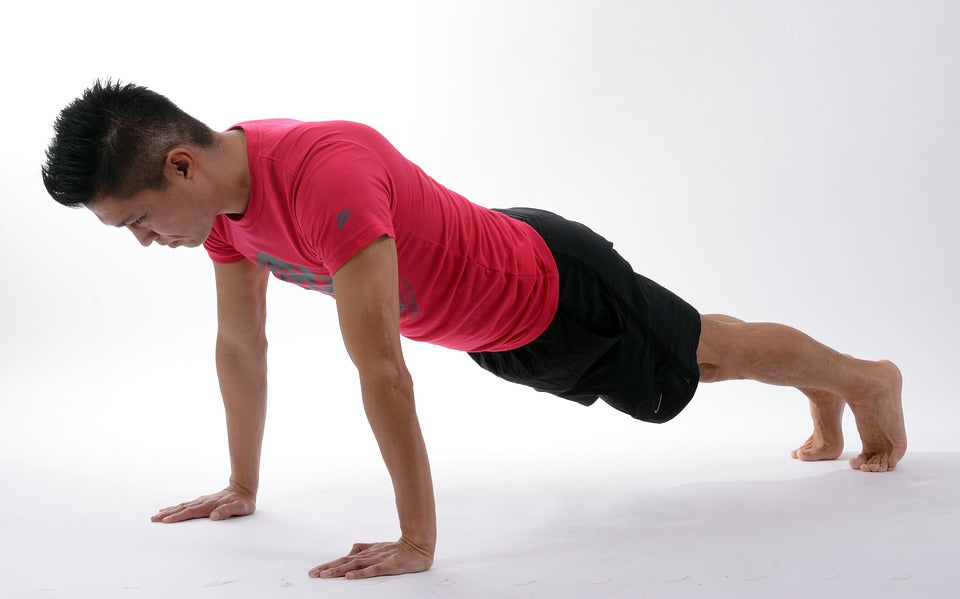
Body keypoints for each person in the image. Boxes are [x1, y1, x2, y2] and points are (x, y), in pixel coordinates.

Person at [41, 80, 907, 581]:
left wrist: (419, 541)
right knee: (706, 347)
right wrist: (240, 482)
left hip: (550, 288)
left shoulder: (323, 177)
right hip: (496, 325)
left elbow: (382, 371)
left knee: (708, 357)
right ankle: (827, 387)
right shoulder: (224, 210)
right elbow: (241, 346)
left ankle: (865, 378)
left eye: (139, 222)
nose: (149, 244)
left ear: (180, 164)